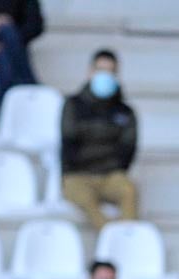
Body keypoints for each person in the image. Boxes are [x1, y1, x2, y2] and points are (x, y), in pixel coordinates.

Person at [61, 49, 138, 231]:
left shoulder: (124, 111)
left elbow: (128, 148)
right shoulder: (73, 105)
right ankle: (111, 236)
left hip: (110, 174)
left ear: (116, 75)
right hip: (78, 174)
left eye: (110, 72)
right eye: (100, 70)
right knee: (85, 198)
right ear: (90, 72)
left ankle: (126, 235)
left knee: (129, 191)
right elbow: (69, 139)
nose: (104, 76)